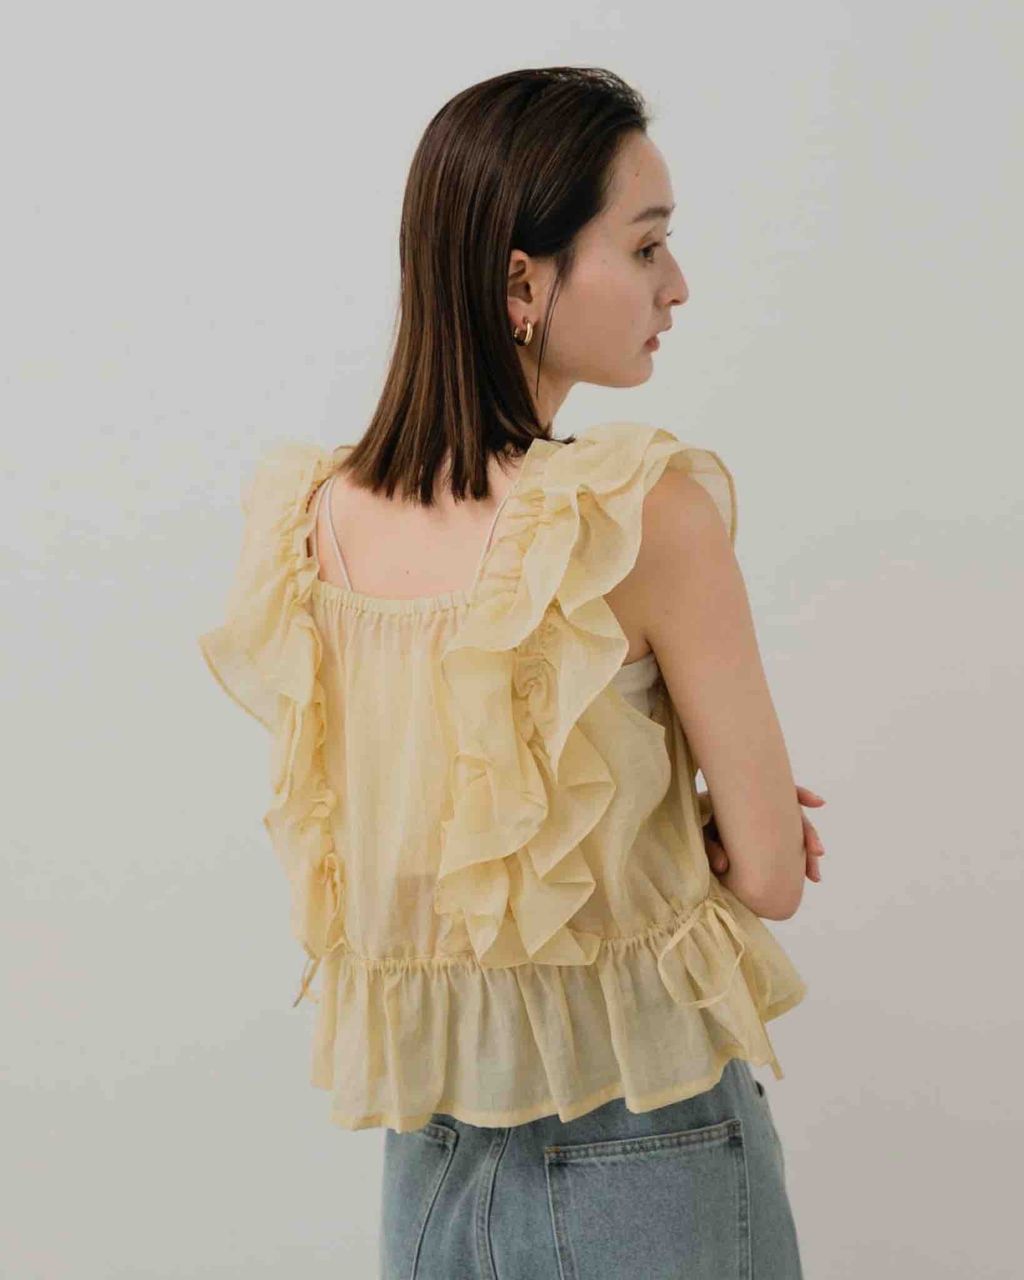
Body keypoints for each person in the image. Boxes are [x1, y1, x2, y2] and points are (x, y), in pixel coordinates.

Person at [198, 65, 826, 1280]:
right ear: (521, 284)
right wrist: (696, 822)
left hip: (430, 1148)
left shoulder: (313, 521)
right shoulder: (642, 512)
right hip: (647, 1138)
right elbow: (768, 872)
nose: (677, 285)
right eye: (645, 246)